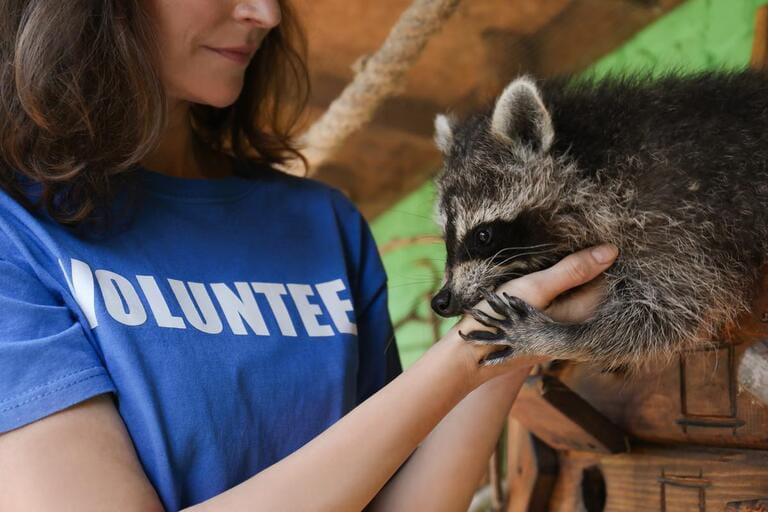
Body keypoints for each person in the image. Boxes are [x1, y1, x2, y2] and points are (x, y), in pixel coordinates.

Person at [0, 0, 618, 510]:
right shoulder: (15, 232)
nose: (266, 14)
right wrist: (461, 358)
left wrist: (513, 342)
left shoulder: (321, 223)